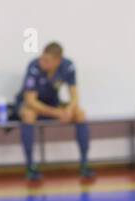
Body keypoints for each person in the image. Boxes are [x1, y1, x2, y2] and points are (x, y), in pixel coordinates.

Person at [16, 42, 93, 184]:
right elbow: (30, 100)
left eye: (47, 60)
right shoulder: (34, 67)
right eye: (42, 58)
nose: (42, 62)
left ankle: (84, 163)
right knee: (28, 115)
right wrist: (57, 113)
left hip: (53, 103)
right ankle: (30, 166)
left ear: (58, 61)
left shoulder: (67, 66)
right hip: (34, 105)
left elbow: (75, 96)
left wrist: (69, 110)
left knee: (80, 113)